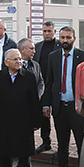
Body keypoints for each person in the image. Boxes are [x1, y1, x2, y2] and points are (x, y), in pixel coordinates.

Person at [42, 26, 84, 167]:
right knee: (62, 144)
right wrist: (46, 104)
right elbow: (49, 82)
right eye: (62, 37)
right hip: (60, 107)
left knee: (81, 143)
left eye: (68, 38)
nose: (65, 41)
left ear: (74, 39)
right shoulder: (53, 56)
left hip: (77, 108)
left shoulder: (83, 56)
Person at [0, 48, 41, 167]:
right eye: (15, 59)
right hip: (3, 121)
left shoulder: (28, 77)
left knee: (25, 151)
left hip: (24, 121)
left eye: (20, 59)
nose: (19, 62)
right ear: (6, 62)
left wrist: (36, 121)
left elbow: (34, 101)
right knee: (4, 152)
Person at [33, 22, 59, 153]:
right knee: (44, 115)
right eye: (44, 31)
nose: (47, 33)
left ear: (54, 31)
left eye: (49, 31)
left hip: (57, 86)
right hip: (43, 85)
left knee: (59, 116)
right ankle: (45, 142)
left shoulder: (61, 46)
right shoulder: (37, 47)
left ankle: (61, 144)